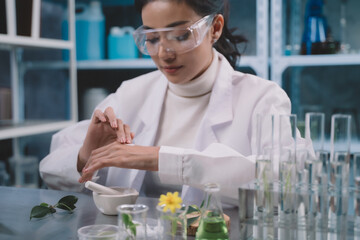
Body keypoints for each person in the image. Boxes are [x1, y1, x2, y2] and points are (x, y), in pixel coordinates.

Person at [40, 0, 303, 205]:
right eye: (153, 39)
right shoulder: (132, 93)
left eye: (180, 35)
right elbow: (49, 167)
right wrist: (87, 154)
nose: (164, 53)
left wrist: (159, 158)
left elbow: (282, 186)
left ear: (215, 28)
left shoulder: (261, 98)